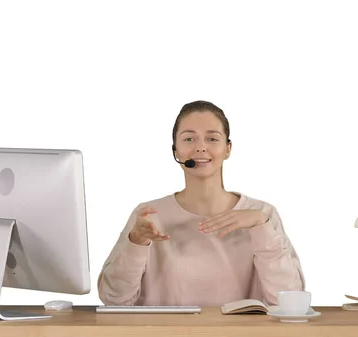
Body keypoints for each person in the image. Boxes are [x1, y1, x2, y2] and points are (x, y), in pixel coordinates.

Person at [97, 100, 305, 307]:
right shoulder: (148, 216)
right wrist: (136, 242)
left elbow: (289, 302)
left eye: (212, 139)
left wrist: (263, 228)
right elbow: (115, 300)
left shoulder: (262, 214)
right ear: (176, 151)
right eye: (189, 139)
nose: (200, 148)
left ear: (228, 149)